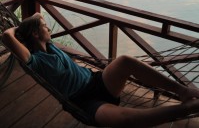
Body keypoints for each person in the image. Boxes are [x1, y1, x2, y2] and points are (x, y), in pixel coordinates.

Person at [2, 13, 199, 128]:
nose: (49, 29)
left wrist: (27, 27)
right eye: (45, 27)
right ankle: (188, 109)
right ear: (36, 34)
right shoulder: (35, 61)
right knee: (125, 119)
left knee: (124, 61)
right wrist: (19, 31)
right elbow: (6, 36)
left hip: (97, 81)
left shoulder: (50, 44)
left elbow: (37, 16)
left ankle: (182, 91)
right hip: (83, 101)